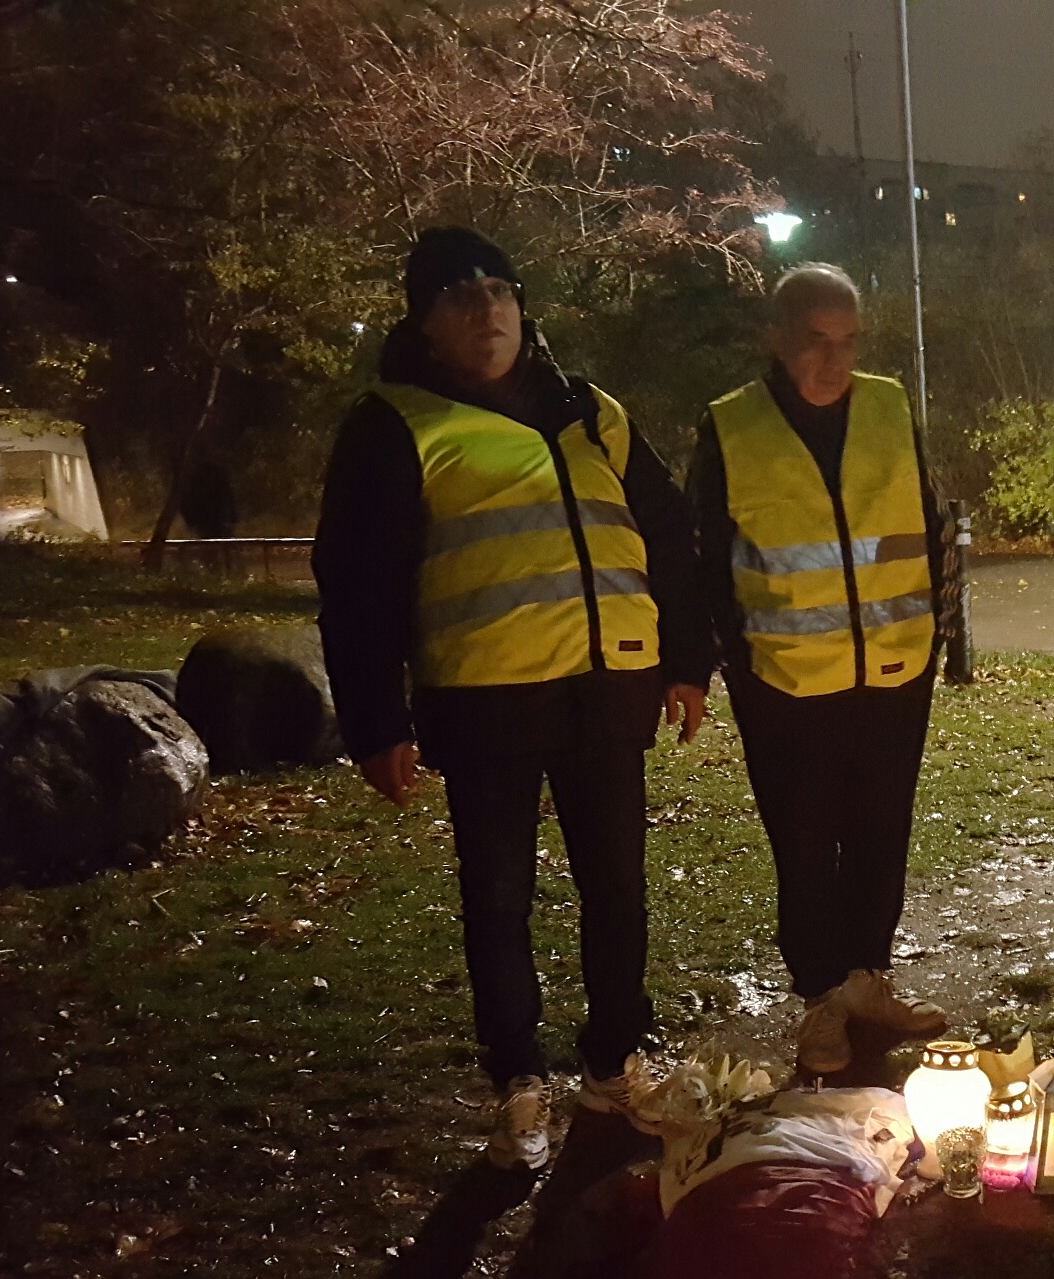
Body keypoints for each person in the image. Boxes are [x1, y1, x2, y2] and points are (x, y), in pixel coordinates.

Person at [315, 227, 713, 1168]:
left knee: (617, 888)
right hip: (484, 700)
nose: (486, 309)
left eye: (498, 290)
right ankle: (518, 1081)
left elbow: (668, 533)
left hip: (606, 689)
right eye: (460, 296)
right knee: (498, 898)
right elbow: (358, 585)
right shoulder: (394, 425)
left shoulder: (591, 412)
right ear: (424, 323)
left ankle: (616, 1061)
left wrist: (688, 660)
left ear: (522, 307)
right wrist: (375, 723)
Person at [688, 264, 954, 1079]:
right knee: (804, 846)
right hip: (787, 684)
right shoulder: (731, 427)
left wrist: (938, 637)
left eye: (848, 341)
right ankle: (819, 1001)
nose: (834, 361)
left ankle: (867, 979)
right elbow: (706, 560)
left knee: (881, 832)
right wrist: (729, 664)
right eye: (815, 341)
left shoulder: (888, 407)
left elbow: (931, 524)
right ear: (777, 338)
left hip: (894, 671)